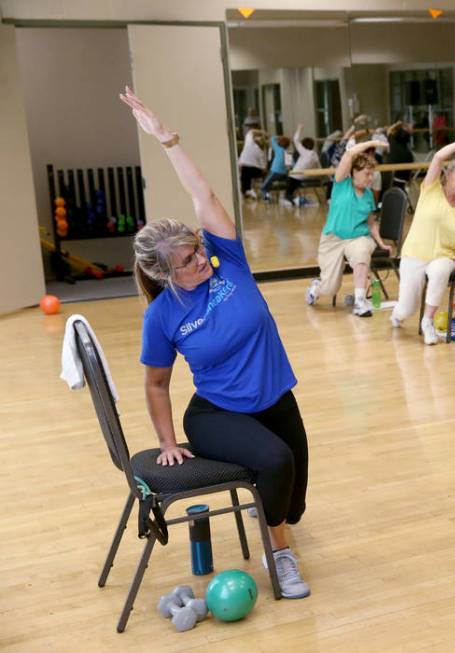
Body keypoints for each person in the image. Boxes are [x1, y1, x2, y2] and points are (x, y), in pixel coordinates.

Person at [119, 87, 312, 597]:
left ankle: (278, 518)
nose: (200, 260)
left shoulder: (232, 264)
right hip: (216, 414)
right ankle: (281, 555)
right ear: (164, 275)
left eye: (197, 249)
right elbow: (157, 384)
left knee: (294, 500)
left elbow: (203, 197)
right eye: (186, 261)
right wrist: (165, 442)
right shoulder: (162, 317)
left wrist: (167, 140)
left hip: (277, 402)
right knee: (275, 463)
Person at [391, 131, 455, 344]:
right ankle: (397, 314)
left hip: (444, 256)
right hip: (414, 254)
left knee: (441, 269)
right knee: (406, 309)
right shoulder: (430, 190)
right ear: (447, 176)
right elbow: (438, 157)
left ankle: (428, 321)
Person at [305, 139, 392, 315]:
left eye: (372, 174)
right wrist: (373, 142)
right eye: (367, 174)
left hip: (358, 237)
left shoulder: (368, 195)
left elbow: (371, 222)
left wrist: (381, 243)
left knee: (361, 252)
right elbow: (349, 154)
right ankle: (317, 287)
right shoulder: (341, 183)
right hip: (333, 238)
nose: (371, 178)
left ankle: (360, 301)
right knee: (330, 288)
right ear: (354, 172)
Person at [285, 124, 320, 208]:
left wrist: (299, 129)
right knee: (291, 192)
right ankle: (296, 201)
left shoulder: (304, 151)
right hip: (306, 177)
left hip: (295, 176)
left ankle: (302, 201)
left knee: (287, 194)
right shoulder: (315, 155)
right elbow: (318, 167)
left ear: (304, 145)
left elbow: (295, 139)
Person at [259, 134, 292, 206]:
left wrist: (279, 136)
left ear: (279, 143)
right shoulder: (287, 153)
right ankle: (286, 196)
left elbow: (272, 139)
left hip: (274, 172)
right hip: (284, 174)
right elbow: (292, 164)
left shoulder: (278, 149)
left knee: (263, 187)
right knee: (278, 184)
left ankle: (267, 199)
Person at [238, 127, 266, 199]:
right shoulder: (261, 152)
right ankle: (248, 190)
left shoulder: (249, 143)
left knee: (245, 178)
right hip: (255, 170)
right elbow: (263, 167)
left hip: (244, 166)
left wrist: (262, 132)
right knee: (247, 177)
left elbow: (251, 131)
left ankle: (246, 191)